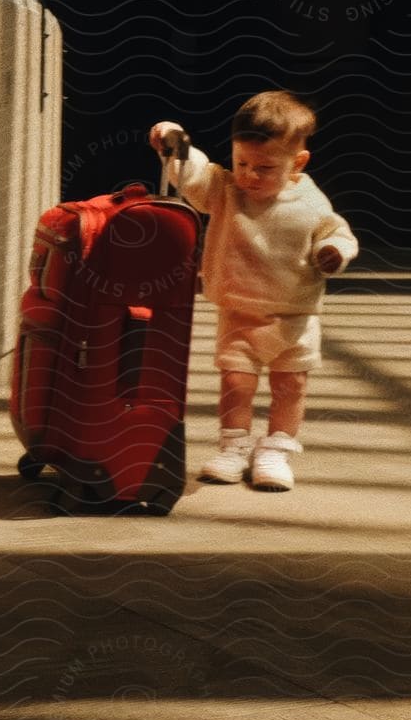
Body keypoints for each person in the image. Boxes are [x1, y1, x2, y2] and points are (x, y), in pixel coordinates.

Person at [149, 90, 358, 491]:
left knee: (291, 384)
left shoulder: (310, 200)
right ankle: (234, 447)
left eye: (264, 167)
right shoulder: (225, 190)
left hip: (294, 314)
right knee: (236, 382)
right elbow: (195, 173)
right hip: (240, 311)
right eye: (241, 162)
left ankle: (276, 449)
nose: (249, 175)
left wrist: (333, 251)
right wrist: (176, 144)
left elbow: (336, 232)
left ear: (297, 163)